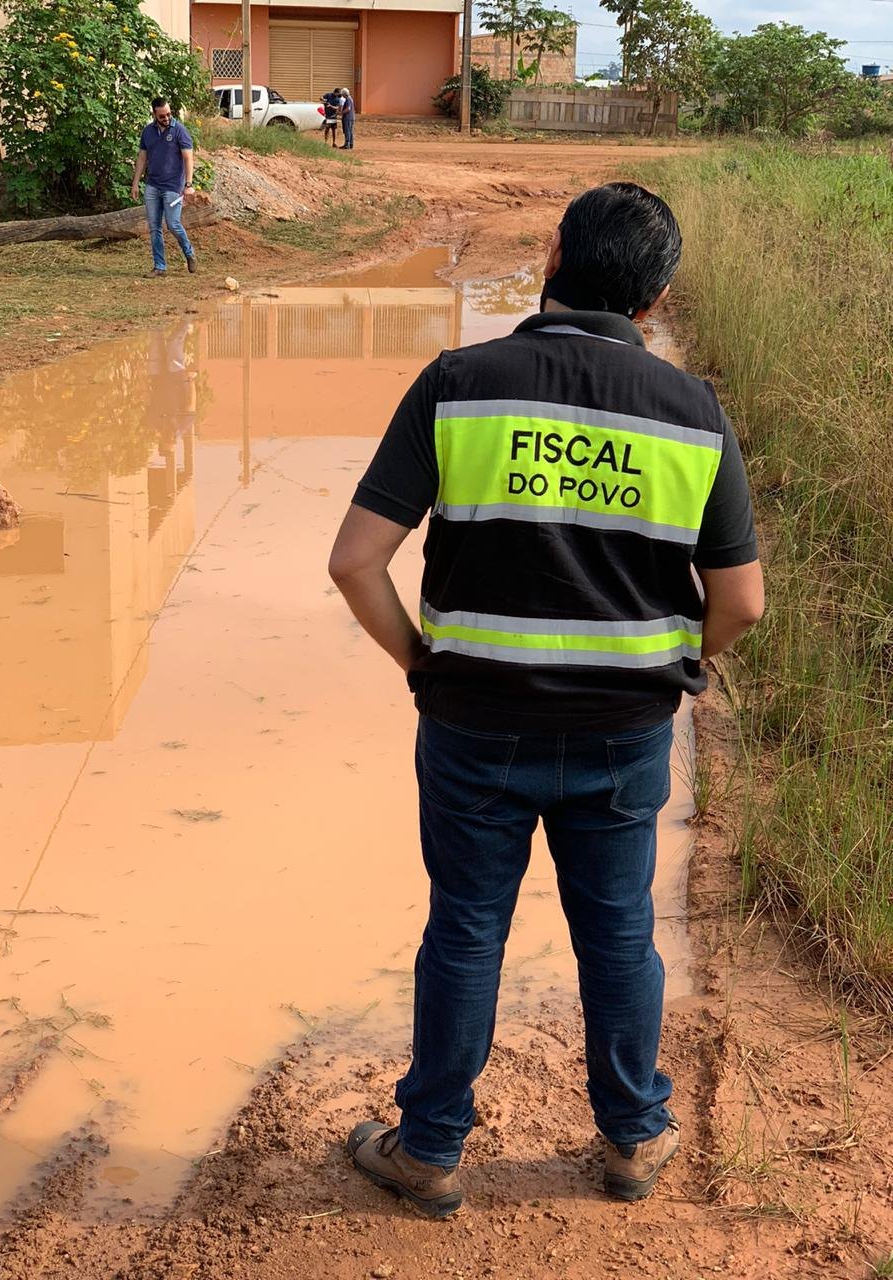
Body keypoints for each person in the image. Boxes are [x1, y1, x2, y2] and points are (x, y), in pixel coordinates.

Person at [329, 182, 764, 1218]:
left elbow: (355, 562)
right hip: (623, 734)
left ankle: (430, 1148)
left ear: (551, 251)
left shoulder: (461, 382)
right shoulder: (692, 413)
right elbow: (741, 601)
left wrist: (421, 666)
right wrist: (678, 668)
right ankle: (632, 1137)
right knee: (618, 932)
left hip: (472, 722)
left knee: (466, 928)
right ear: (656, 295)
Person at [131, 96, 197, 278]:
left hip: (173, 187)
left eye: (168, 114)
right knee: (154, 227)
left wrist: (188, 184)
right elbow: (142, 158)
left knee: (173, 224)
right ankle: (160, 266)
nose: (166, 118)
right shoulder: (148, 132)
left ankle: (189, 252)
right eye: (162, 116)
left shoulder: (179, 131)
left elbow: (188, 158)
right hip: (152, 185)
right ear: (154, 114)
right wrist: (135, 183)